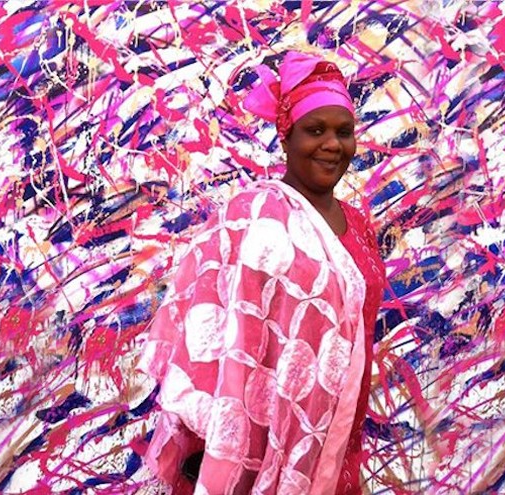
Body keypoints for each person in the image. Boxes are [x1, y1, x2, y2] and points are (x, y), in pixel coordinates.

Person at [138, 51, 386, 494]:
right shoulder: (254, 217)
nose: (332, 144)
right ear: (286, 137)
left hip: (341, 445)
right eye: (315, 130)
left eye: (343, 132)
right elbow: (213, 334)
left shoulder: (359, 225)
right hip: (260, 446)